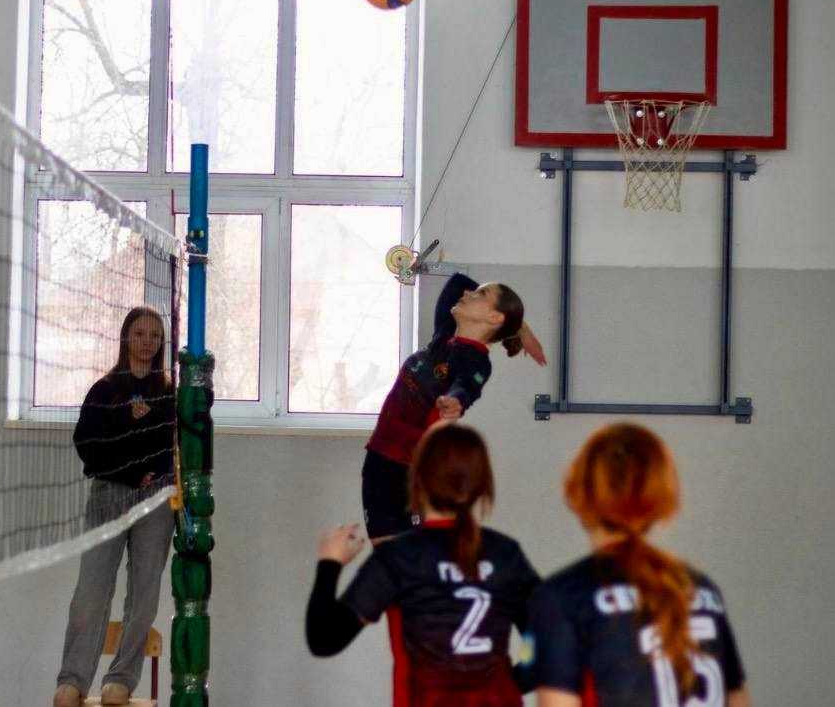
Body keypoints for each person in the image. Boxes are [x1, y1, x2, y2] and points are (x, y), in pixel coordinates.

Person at [307, 422, 541, 706]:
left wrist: (330, 563)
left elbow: (324, 639)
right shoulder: (506, 554)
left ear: (416, 480)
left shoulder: (399, 557)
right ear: (483, 485)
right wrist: (506, 685)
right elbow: (548, 645)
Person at [527, 423, 750, 707]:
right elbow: (738, 698)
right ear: (662, 499)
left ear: (577, 493)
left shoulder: (562, 598)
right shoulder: (702, 590)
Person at [54, 307, 176, 707]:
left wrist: (143, 439)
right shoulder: (104, 391)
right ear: (126, 338)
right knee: (91, 591)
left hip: (155, 499)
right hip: (109, 496)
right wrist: (129, 431)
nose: (147, 342)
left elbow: (168, 446)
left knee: (144, 593)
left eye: (154, 335)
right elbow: (90, 446)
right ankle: (72, 681)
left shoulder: (168, 394)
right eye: (139, 334)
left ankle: (120, 680)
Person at [363, 273, 545, 542]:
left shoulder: (476, 361)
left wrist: (456, 402)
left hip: (412, 471)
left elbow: (466, 386)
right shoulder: (444, 335)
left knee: (414, 560)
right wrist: (521, 327)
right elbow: (457, 282)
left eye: (481, 294)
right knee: (389, 561)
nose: (468, 293)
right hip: (379, 460)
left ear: (495, 317)